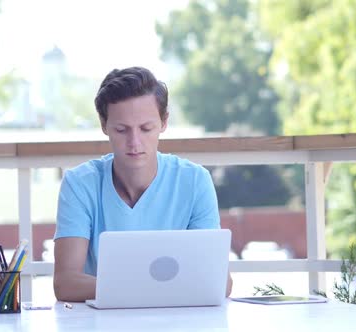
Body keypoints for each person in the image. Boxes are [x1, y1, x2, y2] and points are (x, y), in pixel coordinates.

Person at [53, 66, 233, 302]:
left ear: (164, 122)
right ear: (104, 125)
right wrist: (152, 289)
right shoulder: (79, 184)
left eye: (146, 128)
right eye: (121, 130)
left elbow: (219, 280)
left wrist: (128, 289)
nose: (134, 142)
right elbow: (66, 283)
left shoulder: (195, 181)